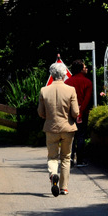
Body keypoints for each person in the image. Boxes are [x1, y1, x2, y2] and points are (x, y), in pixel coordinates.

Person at [37, 61, 79, 196]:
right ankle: (64, 187)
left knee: (52, 156)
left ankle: (53, 175)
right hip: (67, 128)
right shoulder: (70, 90)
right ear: (64, 74)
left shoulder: (44, 90)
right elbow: (75, 112)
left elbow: (40, 112)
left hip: (51, 128)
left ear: (52, 74)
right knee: (66, 158)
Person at [64, 59, 93, 167]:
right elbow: (87, 99)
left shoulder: (67, 82)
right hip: (82, 112)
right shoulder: (87, 82)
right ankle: (80, 159)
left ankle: (70, 158)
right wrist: (80, 113)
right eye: (84, 67)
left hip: (70, 112)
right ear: (81, 69)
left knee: (71, 136)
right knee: (81, 136)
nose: (86, 68)